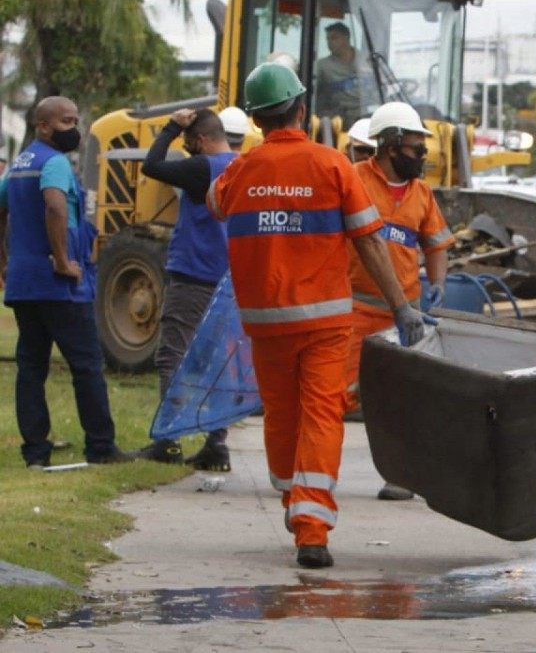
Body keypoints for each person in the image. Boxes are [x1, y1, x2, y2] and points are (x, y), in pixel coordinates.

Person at [207, 62, 431, 569]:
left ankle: (293, 499)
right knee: (321, 414)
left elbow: (214, 202)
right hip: (328, 322)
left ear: (259, 120)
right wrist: (402, 306)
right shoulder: (333, 166)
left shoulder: (241, 170)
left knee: (282, 415)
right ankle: (311, 529)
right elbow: (370, 243)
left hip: (266, 323)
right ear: (302, 110)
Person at [0, 96, 132, 467]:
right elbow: (56, 207)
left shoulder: (18, 164)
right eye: (65, 122)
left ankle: (35, 453)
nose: (73, 128)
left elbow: (2, 209)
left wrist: (6, 260)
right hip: (58, 283)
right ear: (43, 126)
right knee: (87, 364)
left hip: (24, 283)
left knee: (31, 367)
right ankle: (101, 447)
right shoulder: (54, 162)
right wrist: (62, 260)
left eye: (76, 120)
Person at [343, 102, 453, 502]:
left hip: (404, 316)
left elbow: (436, 244)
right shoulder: (353, 180)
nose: (422, 157)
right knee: (334, 394)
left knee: (401, 400)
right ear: (389, 147)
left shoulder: (422, 195)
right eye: (415, 149)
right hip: (354, 309)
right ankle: (308, 471)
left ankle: (400, 476)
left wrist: (437, 281)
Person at [135, 108, 238, 470]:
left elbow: (151, 166)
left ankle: (168, 439)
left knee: (171, 356)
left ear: (203, 139)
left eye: (190, 142)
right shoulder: (241, 166)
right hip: (229, 278)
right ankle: (217, 445)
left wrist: (170, 128)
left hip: (195, 274)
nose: (189, 148)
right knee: (218, 363)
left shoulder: (202, 167)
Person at [314, 22, 364, 123]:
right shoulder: (322, 66)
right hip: (339, 121)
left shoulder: (367, 61)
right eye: (328, 39)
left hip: (366, 116)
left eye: (334, 38)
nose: (329, 43)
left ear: (347, 38)